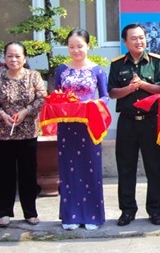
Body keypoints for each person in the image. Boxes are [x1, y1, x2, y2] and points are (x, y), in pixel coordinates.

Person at [108, 23, 160, 226]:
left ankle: (155, 210)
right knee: (125, 168)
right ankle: (127, 210)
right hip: (127, 122)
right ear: (125, 42)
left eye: (141, 37)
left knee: (154, 168)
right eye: (133, 38)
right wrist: (129, 88)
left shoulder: (157, 62)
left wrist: (142, 85)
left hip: (151, 122)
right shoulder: (117, 64)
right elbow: (112, 92)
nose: (138, 41)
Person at [54, 28, 110, 230]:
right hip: (67, 127)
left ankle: (92, 216)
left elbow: (105, 96)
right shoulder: (61, 70)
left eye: (80, 46)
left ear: (88, 46)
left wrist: (94, 104)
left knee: (90, 168)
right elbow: (56, 95)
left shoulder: (97, 70)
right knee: (69, 170)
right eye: (71, 47)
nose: (76, 50)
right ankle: (71, 216)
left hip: (90, 126)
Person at [0, 42, 46, 228]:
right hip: (4, 133)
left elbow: (42, 97)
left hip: (28, 132)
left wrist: (26, 112)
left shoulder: (33, 76)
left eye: (18, 56)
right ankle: (3, 212)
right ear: (5, 58)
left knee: (28, 173)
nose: (14, 59)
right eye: (10, 56)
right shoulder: (0, 78)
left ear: (25, 58)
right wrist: (2, 115)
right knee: (5, 174)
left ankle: (30, 211)